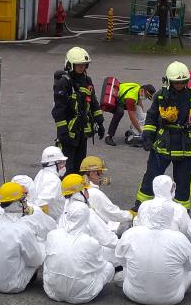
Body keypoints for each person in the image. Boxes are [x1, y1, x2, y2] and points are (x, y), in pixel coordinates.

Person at [136, 61, 191, 211]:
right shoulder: (161, 96)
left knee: (183, 182)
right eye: (177, 82)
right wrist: (148, 136)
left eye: (183, 82)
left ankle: (182, 212)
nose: (180, 85)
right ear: (169, 81)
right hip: (162, 145)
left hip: (185, 147)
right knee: (152, 176)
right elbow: (151, 118)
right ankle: (141, 206)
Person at [115, 200, 191, 305]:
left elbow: (120, 259)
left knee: (128, 263)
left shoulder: (131, 233)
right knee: (190, 268)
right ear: (170, 216)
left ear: (148, 214)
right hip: (171, 298)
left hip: (132, 294)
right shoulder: (180, 238)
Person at [0, 182, 46, 293]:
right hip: (10, 286)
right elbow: (36, 260)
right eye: (23, 200)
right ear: (17, 204)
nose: (25, 203)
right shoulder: (23, 229)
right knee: (41, 246)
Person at [43, 201, 115, 304]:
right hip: (82, 295)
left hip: (51, 292)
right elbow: (99, 266)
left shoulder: (52, 234)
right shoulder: (91, 242)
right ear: (86, 217)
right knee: (109, 267)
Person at [52, 47, 105, 175]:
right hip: (69, 132)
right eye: (78, 65)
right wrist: (62, 131)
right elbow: (58, 110)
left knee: (80, 166)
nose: (82, 68)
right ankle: (64, 193)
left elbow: (93, 103)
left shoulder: (87, 81)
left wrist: (100, 122)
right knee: (66, 168)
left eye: (84, 65)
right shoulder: (64, 83)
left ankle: (77, 192)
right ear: (70, 65)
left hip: (82, 131)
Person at [58, 174, 119, 262]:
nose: (88, 192)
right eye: (86, 189)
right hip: (84, 254)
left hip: (68, 252)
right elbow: (107, 239)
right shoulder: (85, 211)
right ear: (79, 192)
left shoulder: (67, 205)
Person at [79, 156, 134, 231]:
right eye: (100, 172)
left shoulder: (78, 187)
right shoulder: (95, 193)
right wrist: (131, 214)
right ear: (92, 174)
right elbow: (113, 213)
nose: (102, 176)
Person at [32, 146, 68, 220]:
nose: (63, 166)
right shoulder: (53, 180)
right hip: (54, 221)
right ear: (53, 163)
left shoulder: (41, 173)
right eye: (61, 162)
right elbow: (41, 202)